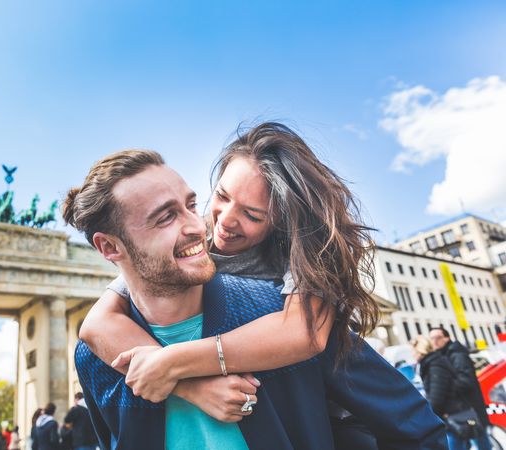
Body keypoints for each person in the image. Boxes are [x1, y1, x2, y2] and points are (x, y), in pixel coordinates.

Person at [66, 147, 446, 449]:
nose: (212, 224)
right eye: (167, 216)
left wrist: (176, 363)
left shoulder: (290, 296)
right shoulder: (95, 357)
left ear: (280, 223)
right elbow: (99, 322)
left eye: (251, 214)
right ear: (109, 248)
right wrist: (188, 383)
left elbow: (305, 337)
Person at [411, 336, 479, 450]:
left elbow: (437, 397)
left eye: (413, 351)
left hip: (451, 417)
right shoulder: (431, 363)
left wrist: (427, 417)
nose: (412, 354)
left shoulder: (434, 365)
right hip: (452, 415)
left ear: (420, 350)